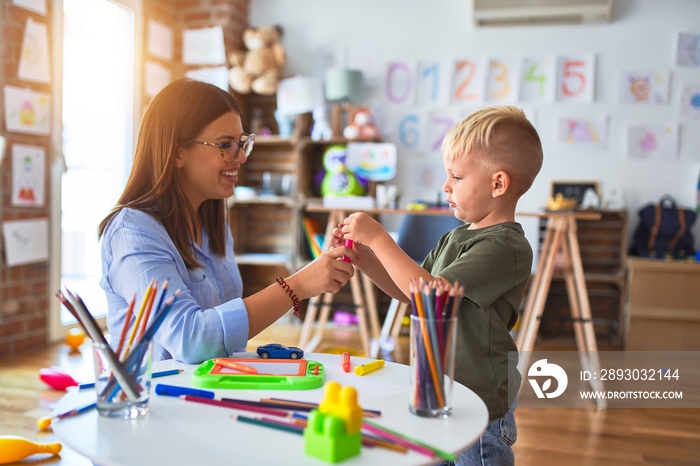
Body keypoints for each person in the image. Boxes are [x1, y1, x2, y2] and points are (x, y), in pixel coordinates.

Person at [331, 105, 543, 465]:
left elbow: (429, 291)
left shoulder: (505, 246)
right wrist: (369, 259)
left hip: (479, 400)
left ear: (498, 184)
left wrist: (381, 238)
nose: (446, 186)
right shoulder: (456, 237)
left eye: (457, 177)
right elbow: (412, 294)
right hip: (441, 388)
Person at [98, 78, 354, 364]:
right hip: (152, 402)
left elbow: (219, 339)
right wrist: (296, 286)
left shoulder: (212, 222)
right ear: (177, 152)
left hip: (206, 393)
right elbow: (191, 339)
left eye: (242, 143)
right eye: (225, 145)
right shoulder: (132, 232)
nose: (241, 157)